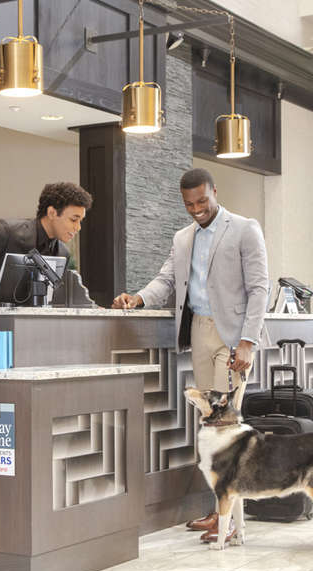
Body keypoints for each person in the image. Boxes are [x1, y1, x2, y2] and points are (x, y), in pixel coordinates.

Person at [112, 167, 268, 543]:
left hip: (233, 337)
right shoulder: (183, 238)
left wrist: (248, 341)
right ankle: (220, 512)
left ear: (215, 191)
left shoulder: (244, 228)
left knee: (226, 429)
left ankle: (230, 522)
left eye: (202, 201)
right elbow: (167, 279)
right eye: (189, 204)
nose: (197, 209)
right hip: (198, 331)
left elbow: (259, 287)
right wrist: (138, 298)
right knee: (211, 427)